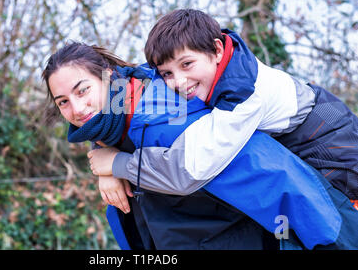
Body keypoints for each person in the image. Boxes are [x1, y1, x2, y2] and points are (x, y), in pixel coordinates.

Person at [43, 42, 358, 250]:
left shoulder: (171, 116)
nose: (78, 108)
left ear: (108, 77)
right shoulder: (116, 124)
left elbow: (276, 175)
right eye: (63, 102)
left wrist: (335, 241)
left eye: (82, 90)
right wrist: (107, 162)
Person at [89, 8, 358, 204]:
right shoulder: (210, 56)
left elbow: (188, 172)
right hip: (312, 120)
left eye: (187, 65)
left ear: (217, 50)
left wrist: (116, 163)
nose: (178, 82)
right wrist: (102, 142)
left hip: (332, 148)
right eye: (167, 73)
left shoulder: (244, 96)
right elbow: (119, 86)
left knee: (330, 227)